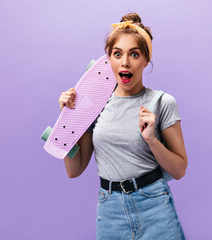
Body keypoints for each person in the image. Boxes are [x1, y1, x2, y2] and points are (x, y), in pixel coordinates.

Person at [59, 13, 188, 240]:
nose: (125, 62)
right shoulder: (95, 105)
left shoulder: (162, 102)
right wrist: (68, 121)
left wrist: (151, 139)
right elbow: (74, 170)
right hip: (110, 212)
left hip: (154, 206)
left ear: (146, 60)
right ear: (108, 58)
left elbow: (179, 170)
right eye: (117, 54)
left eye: (134, 54)